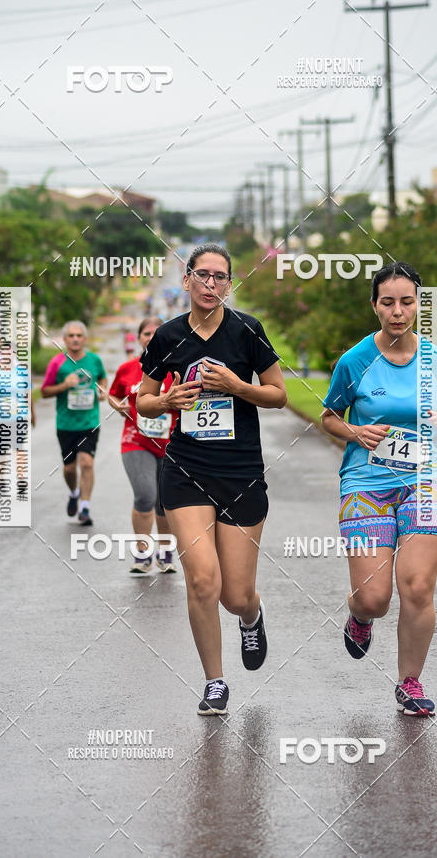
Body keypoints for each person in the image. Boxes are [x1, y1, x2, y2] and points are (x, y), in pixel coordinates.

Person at [137, 243, 287, 715]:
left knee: (234, 594)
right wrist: (167, 401)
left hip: (240, 472)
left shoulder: (247, 331)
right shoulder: (167, 336)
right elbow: (141, 399)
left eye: (219, 277)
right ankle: (214, 681)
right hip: (186, 468)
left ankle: (252, 615)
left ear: (229, 283)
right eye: (201, 275)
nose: (210, 284)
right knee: (202, 580)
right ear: (186, 280)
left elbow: (279, 395)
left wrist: (237, 388)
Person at [321, 262, 437, 717]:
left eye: (407, 301)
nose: (398, 311)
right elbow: (329, 417)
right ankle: (360, 617)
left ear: (419, 306)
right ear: (375, 306)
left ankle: (410, 682)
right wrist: (354, 432)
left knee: (419, 586)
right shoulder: (356, 360)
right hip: (367, 483)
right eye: (388, 302)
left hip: (428, 483)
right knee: (375, 596)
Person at [108, 317, 177, 574]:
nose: (151, 336)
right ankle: (142, 554)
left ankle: (166, 552)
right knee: (146, 494)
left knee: (165, 502)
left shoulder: (177, 367)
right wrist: (118, 405)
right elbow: (114, 393)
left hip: (171, 444)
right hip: (136, 441)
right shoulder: (128, 369)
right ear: (139, 338)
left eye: (157, 332)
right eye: (146, 333)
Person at [41, 321, 107, 526]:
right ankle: (74, 492)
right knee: (69, 469)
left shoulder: (94, 360)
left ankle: (85, 508)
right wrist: (64, 385)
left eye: (79, 335)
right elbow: (44, 391)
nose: (75, 339)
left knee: (87, 463)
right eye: (71, 336)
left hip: (90, 422)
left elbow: (103, 379)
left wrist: (103, 390)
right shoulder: (56, 363)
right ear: (65, 339)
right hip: (66, 424)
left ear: (85, 339)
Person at [0, 346, 36, 444]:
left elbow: (28, 394)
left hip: (19, 418)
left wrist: (32, 414)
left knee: (18, 450)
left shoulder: (22, 372)